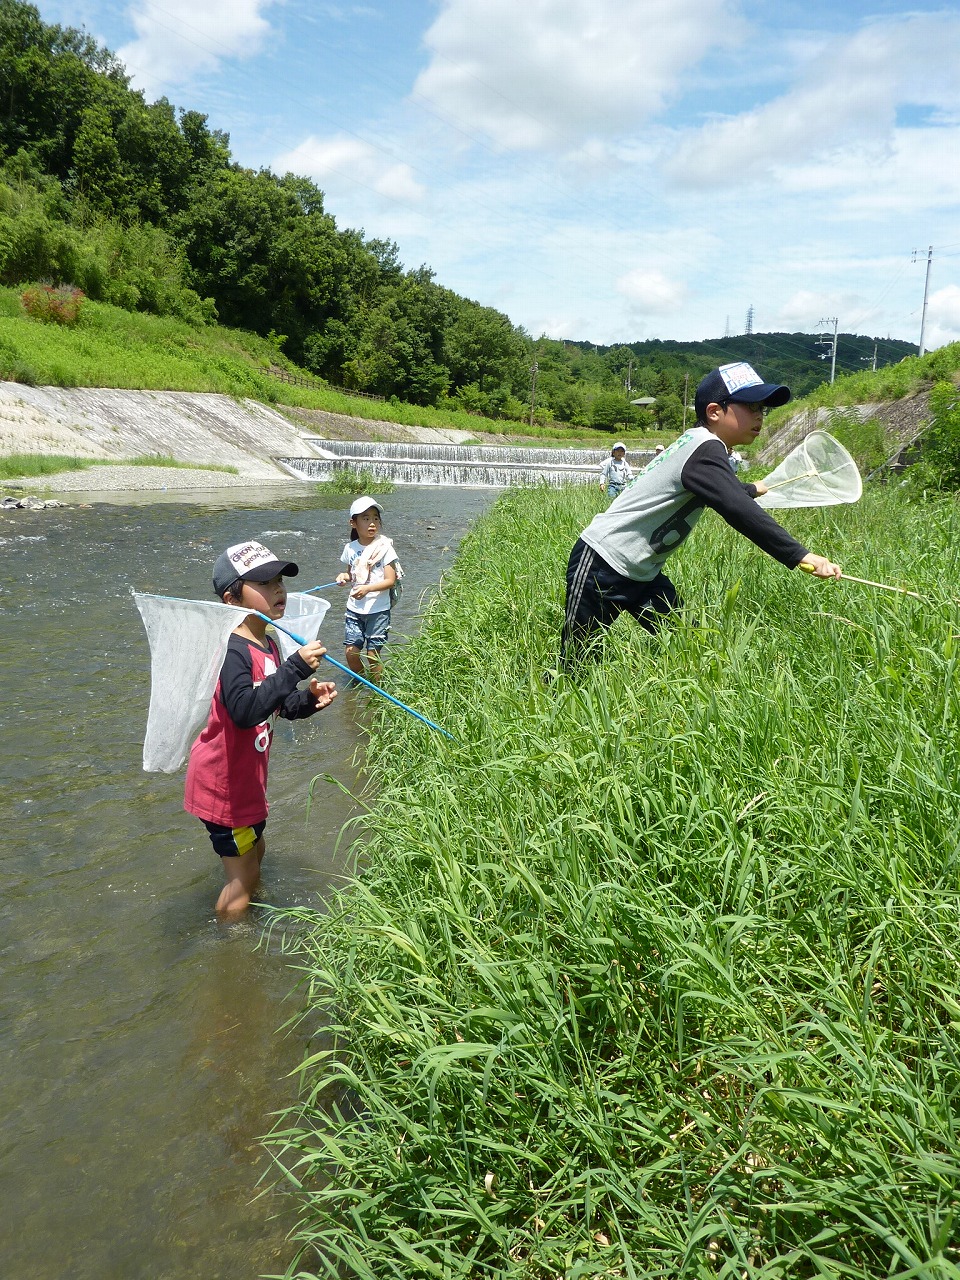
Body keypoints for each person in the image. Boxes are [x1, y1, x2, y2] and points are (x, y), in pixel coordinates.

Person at [560, 361, 842, 667]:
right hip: (602, 562)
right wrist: (799, 554)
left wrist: (752, 488)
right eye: (750, 406)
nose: (760, 415)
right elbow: (734, 506)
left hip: (641, 573)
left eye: (763, 408)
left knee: (686, 645)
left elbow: (720, 490)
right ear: (714, 412)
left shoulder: (700, 445)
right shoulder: (705, 447)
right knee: (576, 664)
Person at [184, 539, 337, 917]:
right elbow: (242, 710)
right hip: (224, 786)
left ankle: (248, 909)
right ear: (231, 599)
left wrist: (307, 700)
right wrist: (297, 668)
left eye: (280, 582)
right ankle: (232, 948)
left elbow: (276, 704)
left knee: (258, 852)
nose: (279, 589)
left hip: (246, 780)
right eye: (265, 584)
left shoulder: (268, 644)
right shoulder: (232, 649)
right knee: (241, 878)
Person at [336, 496, 400, 685]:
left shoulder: (385, 548)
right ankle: (362, 684)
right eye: (366, 518)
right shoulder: (350, 548)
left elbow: (390, 580)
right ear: (353, 523)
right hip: (354, 609)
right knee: (351, 652)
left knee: (373, 655)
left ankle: (376, 692)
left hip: (378, 610)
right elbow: (351, 575)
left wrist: (368, 589)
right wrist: (343, 578)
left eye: (375, 518)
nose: (372, 523)